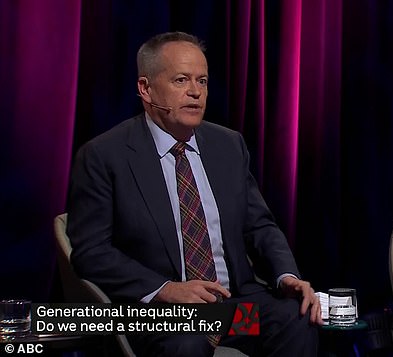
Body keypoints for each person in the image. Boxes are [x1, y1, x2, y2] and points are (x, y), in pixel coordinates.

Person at [66, 31, 322, 357]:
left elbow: (259, 226)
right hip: (161, 314)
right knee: (186, 343)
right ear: (145, 88)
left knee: (295, 318)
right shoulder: (104, 156)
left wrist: (287, 276)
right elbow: (91, 252)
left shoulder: (228, 146)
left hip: (228, 313)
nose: (195, 92)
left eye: (202, 81)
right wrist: (165, 289)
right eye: (181, 80)